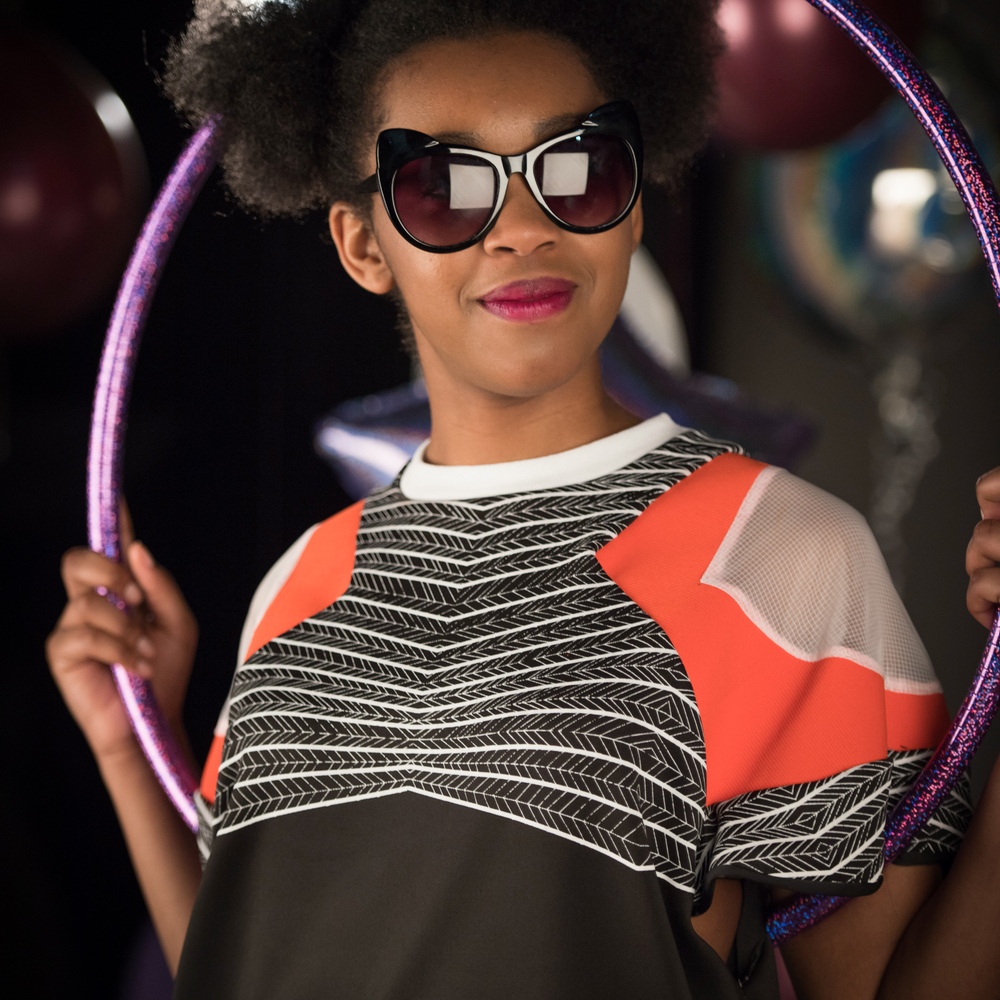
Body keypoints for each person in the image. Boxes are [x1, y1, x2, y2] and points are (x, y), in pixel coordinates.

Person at [45, 1, 1000, 997]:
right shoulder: (299, 583)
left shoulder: (782, 553)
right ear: (363, 244)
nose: (524, 228)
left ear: (633, 204)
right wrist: (128, 742)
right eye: (444, 186)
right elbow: (251, 961)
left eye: (578, 168)